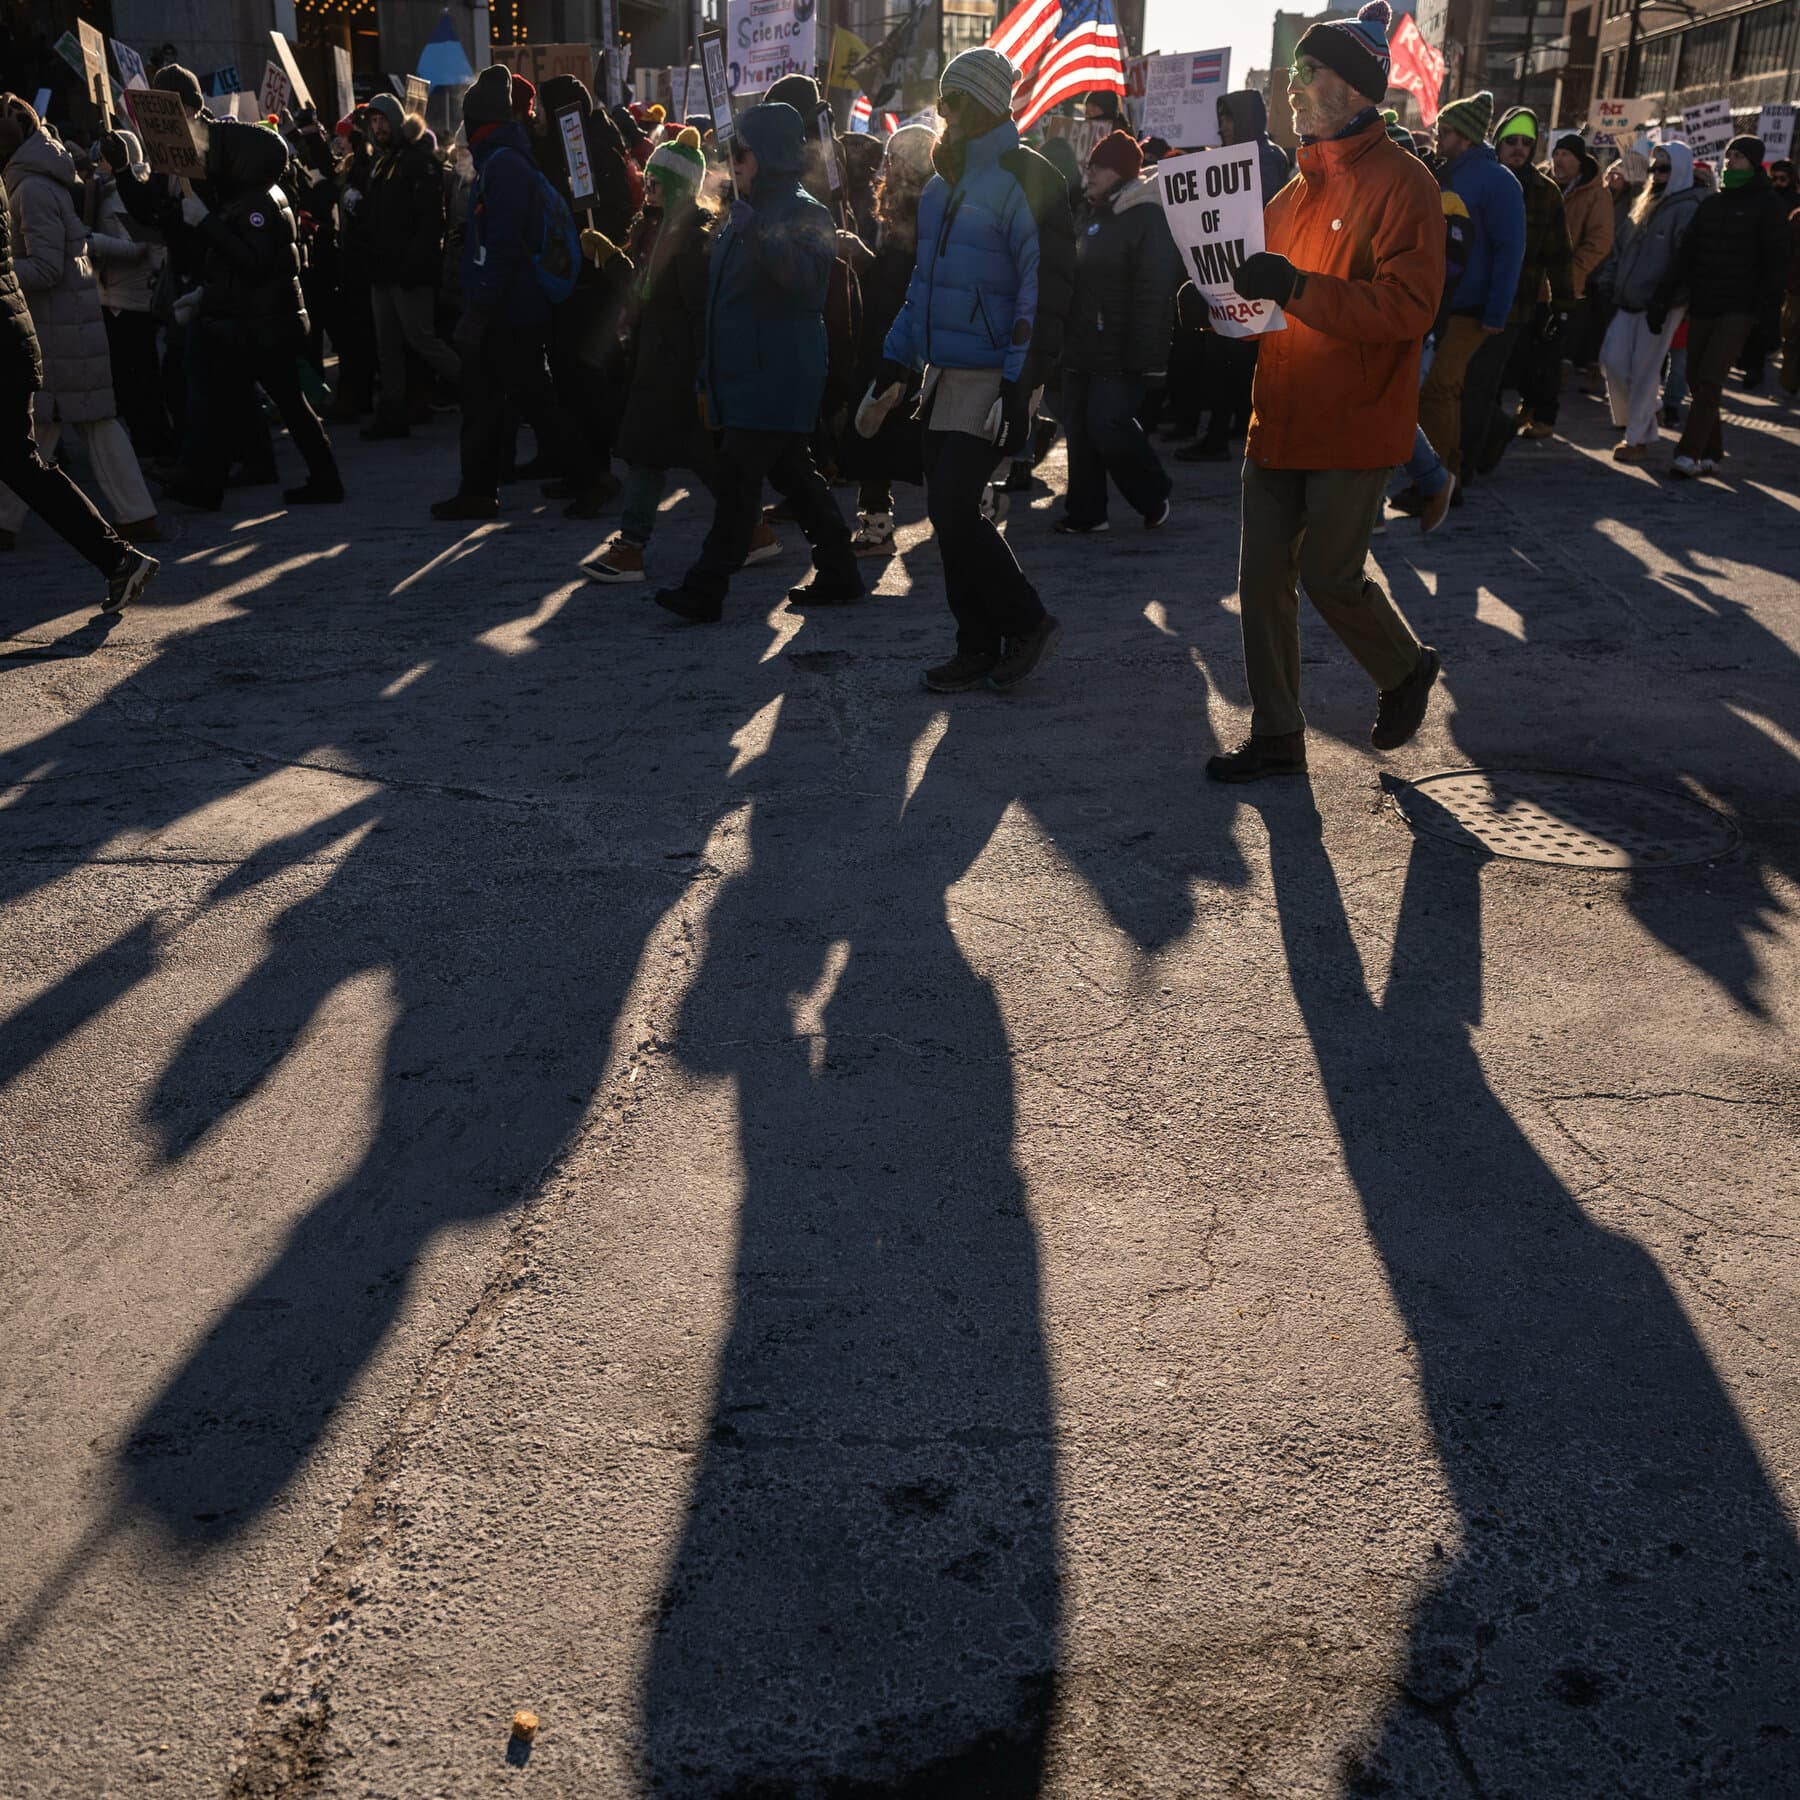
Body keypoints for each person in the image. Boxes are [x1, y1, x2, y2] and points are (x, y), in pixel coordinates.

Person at [1204, 0, 1445, 784]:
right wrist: (1208, 311)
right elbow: (1260, 304)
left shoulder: (1405, 185)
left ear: (1355, 88)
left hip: (1355, 419)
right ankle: (1277, 737)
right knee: (1260, 584)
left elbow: (1409, 308)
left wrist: (1299, 287)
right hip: (1279, 414)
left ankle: (1404, 669)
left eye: (1308, 74)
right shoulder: (1291, 193)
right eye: (1294, 73)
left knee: (1330, 577)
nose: (1293, 86)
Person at [870, 47, 1074, 693]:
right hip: (942, 376)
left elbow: (1042, 292)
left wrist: (1021, 384)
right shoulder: (939, 189)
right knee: (947, 512)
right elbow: (922, 287)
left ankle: (1029, 620)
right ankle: (976, 644)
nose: (944, 110)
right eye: (943, 97)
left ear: (981, 104)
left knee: (955, 509)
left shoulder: (1027, 177)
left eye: (953, 98)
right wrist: (894, 358)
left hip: (992, 376)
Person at [652, 102, 863, 624]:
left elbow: (808, 287)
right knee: (793, 473)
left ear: (765, 154)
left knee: (740, 480)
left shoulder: (806, 211)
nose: (734, 160)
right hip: (749, 371)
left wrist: (756, 234)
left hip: (779, 371)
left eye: (741, 151)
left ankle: (706, 587)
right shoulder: (743, 208)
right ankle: (840, 570)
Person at [577, 129, 779, 584]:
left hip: (677, 371)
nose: (645, 189)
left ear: (673, 186)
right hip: (658, 364)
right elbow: (647, 294)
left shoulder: (690, 241)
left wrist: (706, 376)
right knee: (669, 458)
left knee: (656, 455)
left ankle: (633, 547)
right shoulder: (660, 229)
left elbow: (697, 315)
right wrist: (612, 259)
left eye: (653, 183)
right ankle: (751, 531)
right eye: (646, 181)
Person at [0, 95, 156, 604]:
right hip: (37, 333)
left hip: (48, 331)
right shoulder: (28, 182)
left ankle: (125, 544)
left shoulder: (32, 187)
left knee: (51, 444)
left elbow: (45, 266)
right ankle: (121, 551)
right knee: (34, 453)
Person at [161, 118, 343, 510]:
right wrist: (203, 295)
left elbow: (254, 262)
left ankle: (205, 488)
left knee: (225, 406)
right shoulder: (257, 197)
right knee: (285, 404)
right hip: (262, 321)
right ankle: (325, 478)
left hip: (259, 325)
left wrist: (205, 222)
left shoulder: (257, 203)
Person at [431, 64, 572, 522]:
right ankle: (481, 489)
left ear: (479, 124)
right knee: (502, 402)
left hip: (509, 310)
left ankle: (587, 475)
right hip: (508, 307)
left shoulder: (505, 165)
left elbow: (504, 245)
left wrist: (479, 308)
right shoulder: (502, 160)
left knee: (520, 401)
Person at [1055, 130, 1180, 533]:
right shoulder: (1093, 212)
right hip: (1082, 345)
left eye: (1098, 167)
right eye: (1087, 166)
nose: (1088, 174)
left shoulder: (1146, 215)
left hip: (1119, 349)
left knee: (1107, 425)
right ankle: (1087, 513)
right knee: (1079, 429)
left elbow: (1154, 291)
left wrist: (1149, 358)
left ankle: (1153, 493)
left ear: (1122, 172)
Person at [1417, 89, 1524, 493]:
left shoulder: (1498, 181)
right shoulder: (1449, 172)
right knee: (1448, 390)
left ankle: (1439, 481)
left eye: (1444, 131)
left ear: (1464, 135)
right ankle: (1455, 466)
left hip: (1472, 307)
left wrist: (1496, 312)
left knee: (1439, 388)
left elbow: (1509, 249)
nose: (1438, 138)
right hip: (1442, 303)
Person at [1663, 134, 1787, 479]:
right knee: (1694, 376)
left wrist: (1768, 315)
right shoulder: (1712, 204)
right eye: (1729, 154)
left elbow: (1777, 263)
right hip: (1705, 303)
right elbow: (1687, 253)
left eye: (1739, 156)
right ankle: (1712, 451)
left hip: (1741, 307)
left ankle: (1687, 453)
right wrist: (1666, 293)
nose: (1730, 160)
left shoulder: (1768, 205)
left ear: (1753, 162)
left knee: (1710, 377)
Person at [839, 124, 932, 557]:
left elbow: (912, 280)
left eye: (895, 159)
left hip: (906, 340)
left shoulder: (925, 210)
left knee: (901, 434)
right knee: (874, 431)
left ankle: (977, 505)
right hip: (885, 333)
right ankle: (875, 522)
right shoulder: (898, 209)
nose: (885, 168)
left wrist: (867, 262)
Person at [360, 93, 459, 440]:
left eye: (383, 120)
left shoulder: (418, 161)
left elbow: (431, 222)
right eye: (373, 122)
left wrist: (412, 266)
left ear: (397, 121)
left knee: (422, 339)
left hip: (409, 274)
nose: (378, 127)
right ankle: (393, 410)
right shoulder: (382, 163)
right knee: (387, 345)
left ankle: (478, 389)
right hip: (383, 272)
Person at [1597, 141, 1702, 464]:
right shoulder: (1643, 203)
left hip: (1661, 306)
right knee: (1611, 361)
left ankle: (1638, 438)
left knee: (1644, 372)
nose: (1657, 175)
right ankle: (1646, 413)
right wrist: (1608, 281)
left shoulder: (1688, 210)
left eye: (1665, 168)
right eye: (1654, 168)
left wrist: (1669, 300)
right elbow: (1620, 248)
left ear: (1680, 170)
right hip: (1628, 299)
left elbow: (1688, 263)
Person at [1481, 107, 1572, 466]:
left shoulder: (1546, 192)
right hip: (1472, 300)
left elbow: (1559, 254)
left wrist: (1563, 307)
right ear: (1498, 142)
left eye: (1526, 142)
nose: (1518, 148)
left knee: (1496, 381)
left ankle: (1482, 448)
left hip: (1518, 306)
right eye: (1511, 141)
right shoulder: (1482, 179)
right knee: (1475, 383)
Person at [86, 130, 174, 460]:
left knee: (140, 379)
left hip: (132, 300)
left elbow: (138, 248)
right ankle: (148, 441)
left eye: (106, 159)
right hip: (115, 298)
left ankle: (154, 443)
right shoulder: (108, 191)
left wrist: (91, 241)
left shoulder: (127, 194)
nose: (100, 165)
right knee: (131, 379)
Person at [1521, 131, 1612, 437]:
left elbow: (1599, 241)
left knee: (1549, 356)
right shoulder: (1541, 184)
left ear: (1579, 160)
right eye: (1556, 153)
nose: (1558, 159)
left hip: (1564, 290)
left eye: (1566, 154)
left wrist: (1571, 270)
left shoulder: (1595, 194)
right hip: (1530, 284)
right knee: (1525, 353)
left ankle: (1545, 417)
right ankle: (1528, 406)